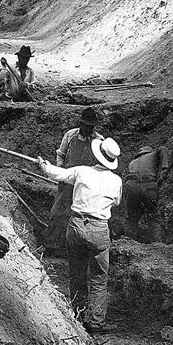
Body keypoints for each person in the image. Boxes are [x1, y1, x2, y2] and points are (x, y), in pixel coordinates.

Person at [38, 136, 123, 333]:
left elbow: (57, 174)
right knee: (99, 278)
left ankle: (77, 315)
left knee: (76, 273)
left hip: (76, 225)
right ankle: (95, 322)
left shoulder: (82, 172)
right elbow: (117, 203)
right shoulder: (116, 180)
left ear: (97, 154)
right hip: (99, 228)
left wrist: (44, 165)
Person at [44, 107, 104, 254]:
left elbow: (102, 163)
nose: (88, 129)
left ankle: (75, 249)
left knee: (80, 214)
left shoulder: (99, 140)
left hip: (86, 184)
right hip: (68, 181)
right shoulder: (70, 135)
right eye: (86, 126)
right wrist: (60, 170)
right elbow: (61, 154)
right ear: (81, 123)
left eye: (91, 127)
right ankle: (52, 245)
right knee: (59, 211)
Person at [124, 145, 170, 241]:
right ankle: (157, 245)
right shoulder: (152, 155)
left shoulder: (132, 163)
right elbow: (163, 149)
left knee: (132, 218)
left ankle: (130, 243)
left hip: (131, 187)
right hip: (149, 186)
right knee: (153, 216)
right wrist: (164, 168)